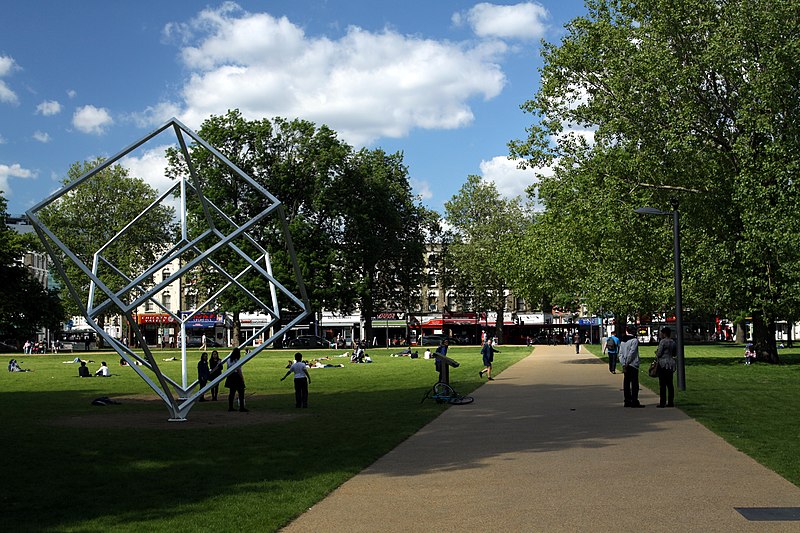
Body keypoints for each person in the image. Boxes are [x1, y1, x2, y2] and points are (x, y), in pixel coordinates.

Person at [618, 326, 643, 407]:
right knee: (635, 383)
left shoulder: (623, 341)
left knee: (626, 383)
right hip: (633, 364)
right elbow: (632, 353)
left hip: (625, 364)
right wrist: (627, 362)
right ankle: (634, 400)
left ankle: (627, 400)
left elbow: (620, 354)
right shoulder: (634, 340)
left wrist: (623, 363)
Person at [655, 327, 677, 408]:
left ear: (664, 333)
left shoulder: (662, 342)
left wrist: (656, 353)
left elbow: (659, 353)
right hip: (671, 363)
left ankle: (662, 402)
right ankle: (671, 401)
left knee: (662, 384)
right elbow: (674, 353)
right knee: (670, 384)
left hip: (663, 363)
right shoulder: (673, 342)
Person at [224, 348, 247, 412]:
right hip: (236, 377)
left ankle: (230, 407)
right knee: (241, 392)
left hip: (231, 376)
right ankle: (241, 407)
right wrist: (242, 378)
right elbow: (239, 370)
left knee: (232, 392)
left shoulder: (229, 360)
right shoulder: (237, 361)